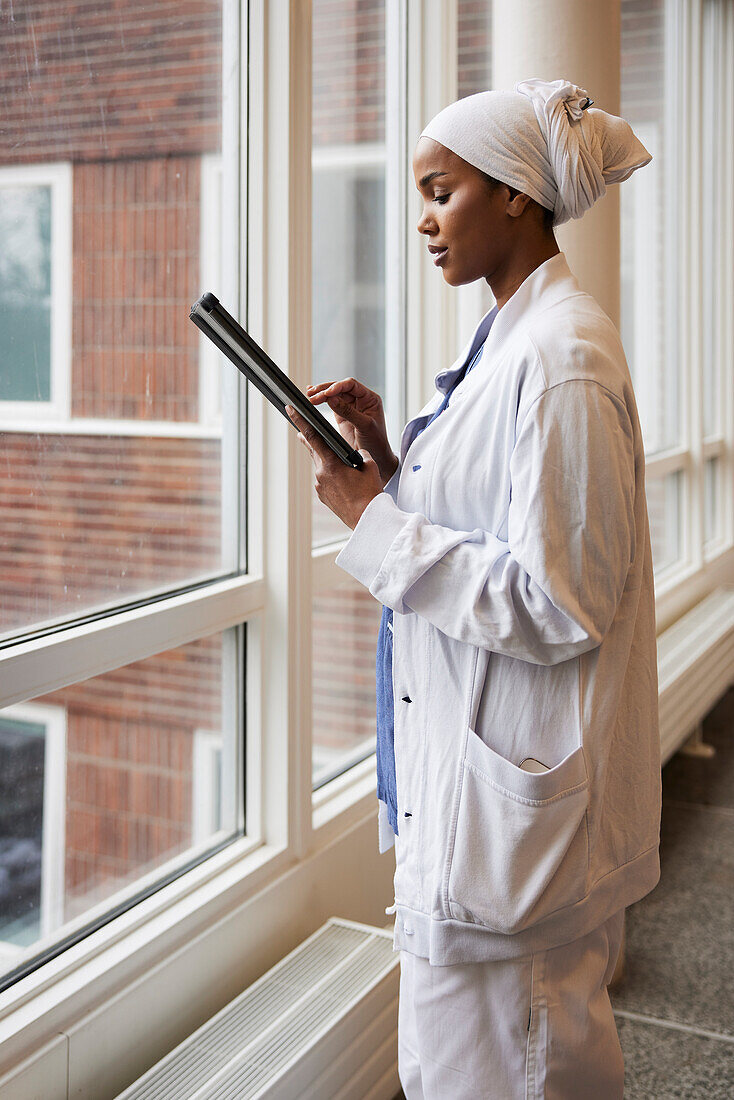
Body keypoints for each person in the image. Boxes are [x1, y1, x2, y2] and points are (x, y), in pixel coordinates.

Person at [286, 77, 662, 1099]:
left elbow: (560, 597)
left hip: (517, 829)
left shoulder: (561, 357)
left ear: (512, 195)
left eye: (439, 190)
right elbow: (493, 515)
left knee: (514, 1065)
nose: (421, 218)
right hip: (475, 797)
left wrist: (375, 522)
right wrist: (393, 462)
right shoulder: (506, 340)